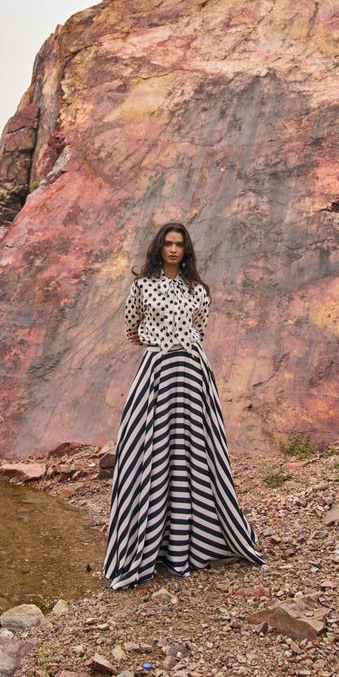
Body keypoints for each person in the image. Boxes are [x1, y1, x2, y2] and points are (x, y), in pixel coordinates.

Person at [103, 221, 263, 590]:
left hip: (191, 373)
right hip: (158, 370)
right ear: (159, 247)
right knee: (148, 451)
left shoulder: (198, 291)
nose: (174, 249)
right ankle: (147, 544)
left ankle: (196, 542)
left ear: (186, 250)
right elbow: (131, 329)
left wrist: (181, 348)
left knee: (195, 453)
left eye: (179, 244)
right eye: (168, 244)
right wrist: (154, 342)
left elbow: (200, 331)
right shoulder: (141, 286)